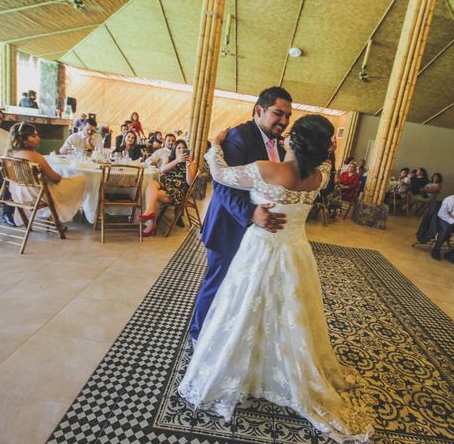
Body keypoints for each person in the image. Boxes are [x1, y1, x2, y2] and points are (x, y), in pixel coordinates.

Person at [178, 115, 373, 443]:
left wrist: (214, 144)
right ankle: (275, 365)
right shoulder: (320, 178)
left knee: (246, 306)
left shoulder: (268, 169)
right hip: (296, 252)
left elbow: (219, 174)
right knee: (289, 310)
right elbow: (321, 169)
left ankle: (248, 364)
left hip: (261, 251)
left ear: (294, 139)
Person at [189, 86, 292, 344]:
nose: (284, 121)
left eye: (288, 116)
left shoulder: (278, 146)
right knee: (218, 282)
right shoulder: (239, 137)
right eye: (278, 114)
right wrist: (250, 214)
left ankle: (225, 333)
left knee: (238, 287)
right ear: (259, 110)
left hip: (256, 236)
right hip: (229, 227)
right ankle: (197, 335)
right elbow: (223, 185)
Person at [8, 123, 86, 225]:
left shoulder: (10, 154)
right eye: (33, 136)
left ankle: (54, 214)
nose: (38, 139)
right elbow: (56, 179)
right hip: (38, 194)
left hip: (19, 193)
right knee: (81, 179)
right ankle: (58, 215)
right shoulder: (35, 156)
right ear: (23, 139)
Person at [137, 139, 197, 236]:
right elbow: (162, 170)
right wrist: (177, 160)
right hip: (165, 184)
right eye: (179, 148)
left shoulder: (191, 163)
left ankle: (150, 222)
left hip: (177, 191)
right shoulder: (168, 158)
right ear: (174, 150)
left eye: (184, 148)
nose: (181, 150)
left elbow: (190, 182)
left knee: (153, 195)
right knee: (151, 183)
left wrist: (187, 165)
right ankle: (149, 214)